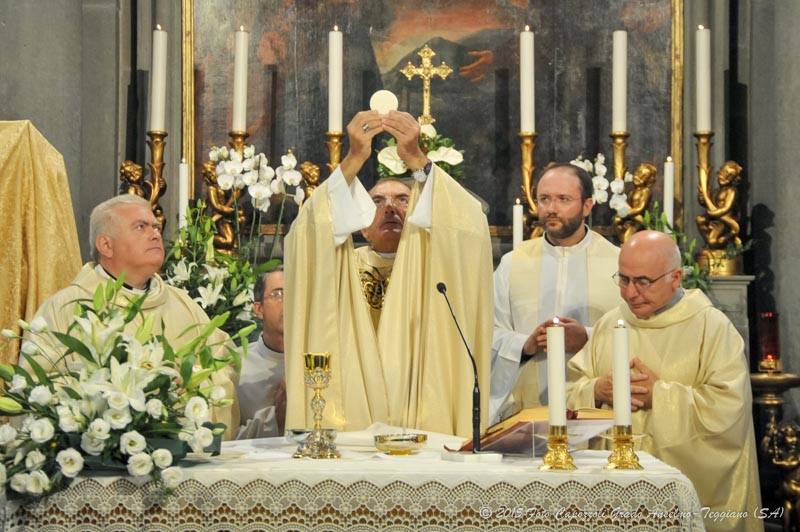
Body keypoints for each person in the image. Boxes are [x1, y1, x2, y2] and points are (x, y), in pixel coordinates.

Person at [285, 109, 493, 437]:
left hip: (422, 393)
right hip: (355, 397)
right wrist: (354, 157)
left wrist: (416, 159)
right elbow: (307, 233)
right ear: (360, 222)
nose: (391, 207)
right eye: (378, 201)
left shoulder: (434, 270)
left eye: (403, 199)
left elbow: (469, 224)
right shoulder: (341, 267)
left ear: (423, 211)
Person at [566, 230, 761, 532]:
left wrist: (660, 395)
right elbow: (567, 395)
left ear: (676, 277)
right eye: (624, 279)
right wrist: (595, 391)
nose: (630, 293)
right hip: (610, 493)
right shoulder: (610, 324)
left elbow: (729, 410)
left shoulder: (710, 327)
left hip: (685, 496)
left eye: (643, 282)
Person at [28, 194, 240, 440]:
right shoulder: (65, 308)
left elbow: (226, 365)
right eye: (140, 227)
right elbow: (41, 388)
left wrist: (188, 379)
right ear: (106, 245)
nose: (155, 234)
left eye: (156, 227)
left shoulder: (184, 305)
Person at [490, 163, 621, 423]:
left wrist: (587, 337)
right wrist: (525, 345)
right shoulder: (513, 263)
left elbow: (635, 331)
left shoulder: (617, 263)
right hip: (526, 409)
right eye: (544, 199)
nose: (551, 208)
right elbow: (487, 331)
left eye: (564, 199)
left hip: (596, 410)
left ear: (587, 206)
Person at [236, 266, 287, 439]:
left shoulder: (320, 362)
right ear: (259, 309)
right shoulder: (234, 365)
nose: (289, 302)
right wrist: (276, 418)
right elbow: (223, 439)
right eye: (279, 294)